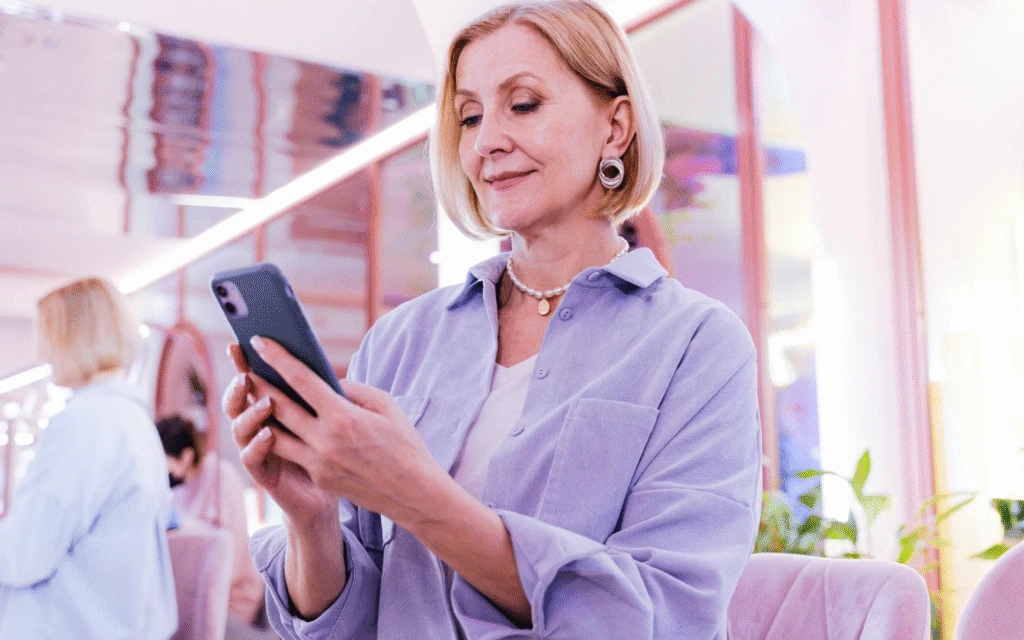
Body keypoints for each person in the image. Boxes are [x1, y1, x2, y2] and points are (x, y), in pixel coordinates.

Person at [224, 1, 762, 638]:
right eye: (471, 116)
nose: (486, 142)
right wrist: (310, 522)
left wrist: (417, 496)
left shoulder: (697, 344)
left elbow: (663, 618)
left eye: (524, 104)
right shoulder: (400, 341)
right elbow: (348, 625)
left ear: (615, 128)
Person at [0, 277, 177, 639]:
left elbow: (23, 557)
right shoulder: (130, 419)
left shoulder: (87, 423)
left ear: (71, 339)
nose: (43, 353)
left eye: (47, 336)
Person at [158, 415, 265, 630]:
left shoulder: (221, 477)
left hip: (233, 600)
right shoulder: (179, 489)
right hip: (200, 594)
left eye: (164, 461)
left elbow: (232, 554)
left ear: (186, 456)